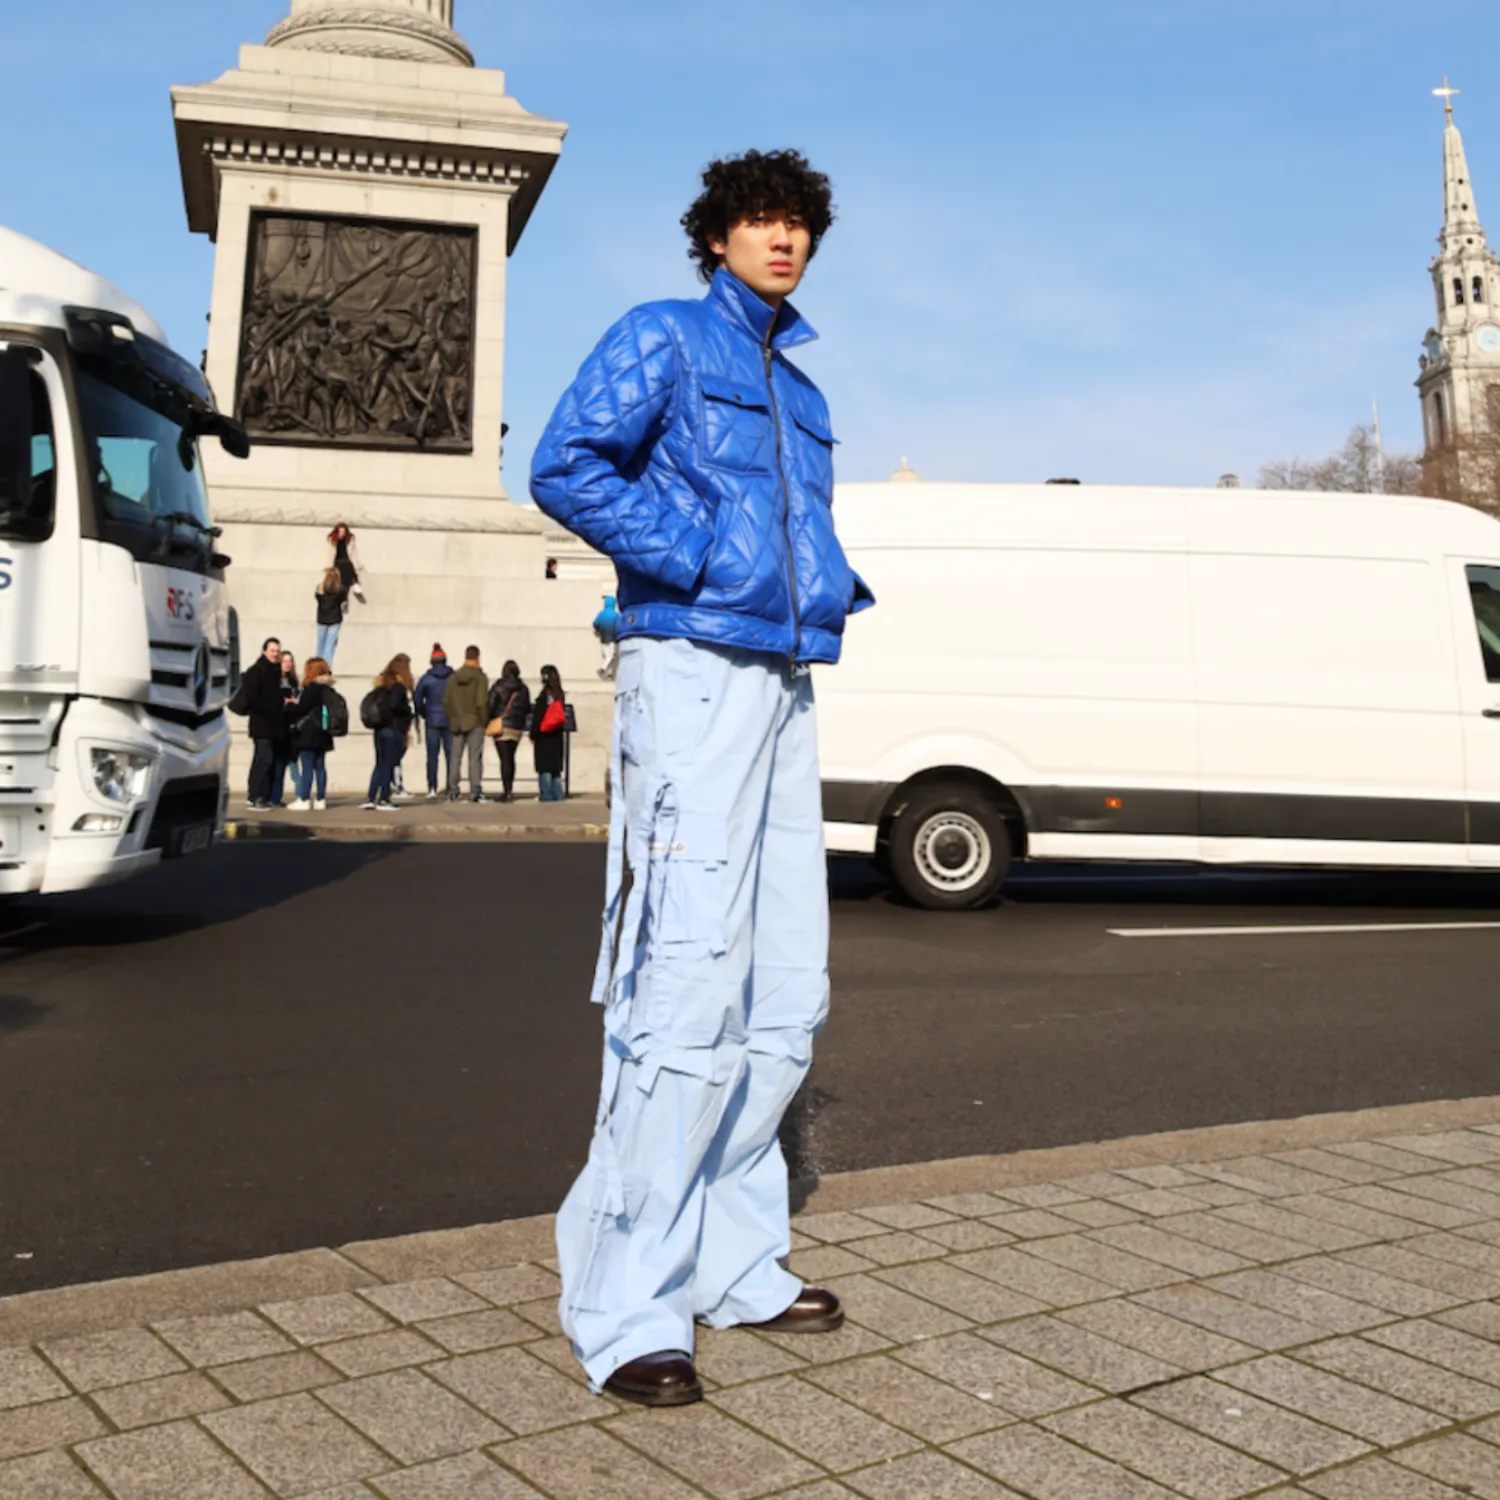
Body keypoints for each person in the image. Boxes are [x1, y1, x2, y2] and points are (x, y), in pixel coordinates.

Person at [531, 149, 873, 1406]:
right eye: (761, 221)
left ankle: (736, 1261)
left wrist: (822, 584)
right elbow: (566, 463)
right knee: (681, 986)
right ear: (718, 235)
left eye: (800, 225)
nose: (784, 240)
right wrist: (701, 564)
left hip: (785, 680)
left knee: (785, 985)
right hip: (689, 668)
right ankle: (626, 1303)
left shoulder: (803, 388)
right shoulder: (665, 337)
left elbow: (792, 527)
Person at [230, 636, 287, 809]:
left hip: (273, 725)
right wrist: (277, 704)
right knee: (263, 760)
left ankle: (265, 795)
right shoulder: (257, 671)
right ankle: (256, 796)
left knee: (267, 761)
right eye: (272, 651)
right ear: (264, 651)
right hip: (262, 724)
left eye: (277, 651)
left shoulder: (277, 672)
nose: (275, 654)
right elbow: (254, 698)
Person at [286, 657, 340, 810]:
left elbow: (302, 709)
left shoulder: (312, 689)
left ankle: (303, 799)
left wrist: (289, 706)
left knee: (307, 766)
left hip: (309, 732)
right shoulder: (329, 689)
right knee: (320, 766)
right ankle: (321, 799)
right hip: (324, 732)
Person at [361, 654, 413, 810]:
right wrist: (408, 711)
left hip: (380, 728)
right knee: (388, 764)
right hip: (393, 728)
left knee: (380, 764)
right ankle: (384, 798)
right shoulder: (398, 686)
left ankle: (371, 797)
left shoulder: (381, 684)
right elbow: (396, 705)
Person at [443, 645, 489, 802]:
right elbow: (481, 702)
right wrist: (484, 721)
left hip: (457, 722)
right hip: (475, 721)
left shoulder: (453, 678)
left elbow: (447, 701)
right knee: (474, 757)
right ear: (478, 658)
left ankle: (453, 790)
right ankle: (475, 791)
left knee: (455, 758)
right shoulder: (480, 677)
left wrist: (453, 717)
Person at [412, 645, 455, 801]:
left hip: (432, 720)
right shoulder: (453, 677)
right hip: (450, 719)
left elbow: (417, 699)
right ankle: (451, 787)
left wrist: (425, 712)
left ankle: (432, 787)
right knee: (451, 755)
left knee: (432, 756)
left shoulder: (426, 678)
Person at [487, 659, 529, 803]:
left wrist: (490, 718)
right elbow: (527, 708)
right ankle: (509, 789)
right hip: (517, 727)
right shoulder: (523, 688)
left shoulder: (498, 686)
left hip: (502, 726)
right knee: (510, 758)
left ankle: (506, 791)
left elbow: (490, 705)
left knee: (504, 759)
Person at [529, 665, 568, 803]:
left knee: (545, 768)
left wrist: (533, 734)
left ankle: (546, 795)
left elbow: (538, 717)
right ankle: (558, 794)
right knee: (555, 769)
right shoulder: (560, 694)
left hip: (544, 735)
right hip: (556, 735)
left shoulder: (544, 695)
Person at [270, 649, 299, 806]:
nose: (288, 664)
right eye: (285, 661)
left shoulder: (294, 682)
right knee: (276, 764)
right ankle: (272, 796)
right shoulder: (274, 680)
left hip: (291, 727)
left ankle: (277, 796)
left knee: (287, 764)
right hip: (277, 726)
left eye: (290, 661)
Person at [315, 567, 349, 664]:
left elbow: (318, 600)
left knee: (320, 644)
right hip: (335, 619)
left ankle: (317, 666)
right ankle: (327, 667)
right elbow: (343, 603)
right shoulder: (341, 589)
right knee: (330, 644)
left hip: (321, 619)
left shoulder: (319, 588)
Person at [327, 522, 366, 602]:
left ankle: (353, 586)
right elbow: (330, 555)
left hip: (347, 561)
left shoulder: (349, 540)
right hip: (337, 562)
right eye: (340, 531)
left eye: (343, 532)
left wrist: (357, 565)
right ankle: (354, 584)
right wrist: (329, 567)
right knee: (343, 571)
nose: (342, 534)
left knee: (348, 566)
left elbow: (354, 554)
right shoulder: (332, 540)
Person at [594, 593, 621, 680]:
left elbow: (595, 624)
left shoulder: (601, 614)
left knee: (607, 656)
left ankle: (608, 673)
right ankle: (603, 669)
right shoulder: (616, 615)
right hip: (612, 638)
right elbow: (619, 626)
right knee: (611, 656)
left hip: (603, 638)